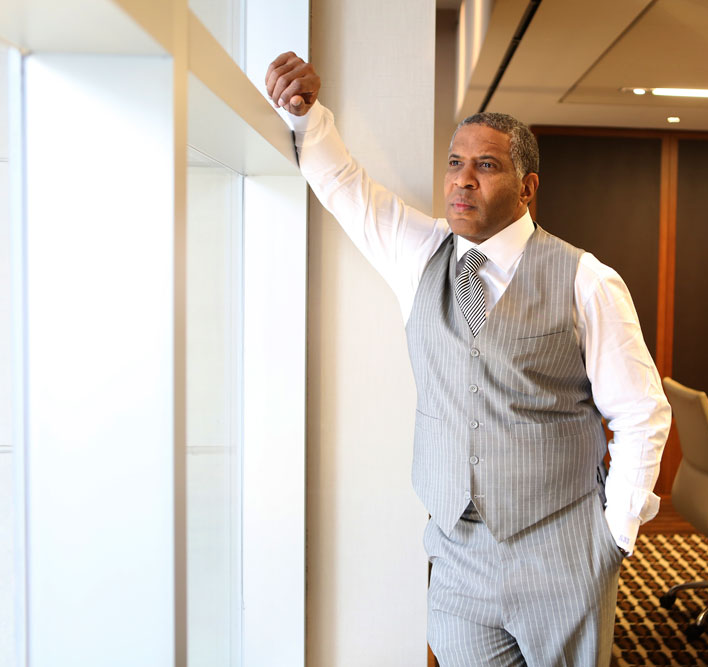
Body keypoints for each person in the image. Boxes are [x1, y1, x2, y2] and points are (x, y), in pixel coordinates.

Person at [266, 51, 670, 666]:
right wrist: (306, 115)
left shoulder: (586, 280)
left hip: (561, 551)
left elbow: (641, 413)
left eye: (486, 166)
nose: (462, 180)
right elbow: (342, 183)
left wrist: (614, 536)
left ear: (527, 188)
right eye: (455, 164)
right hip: (456, 557)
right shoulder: (419, 254)